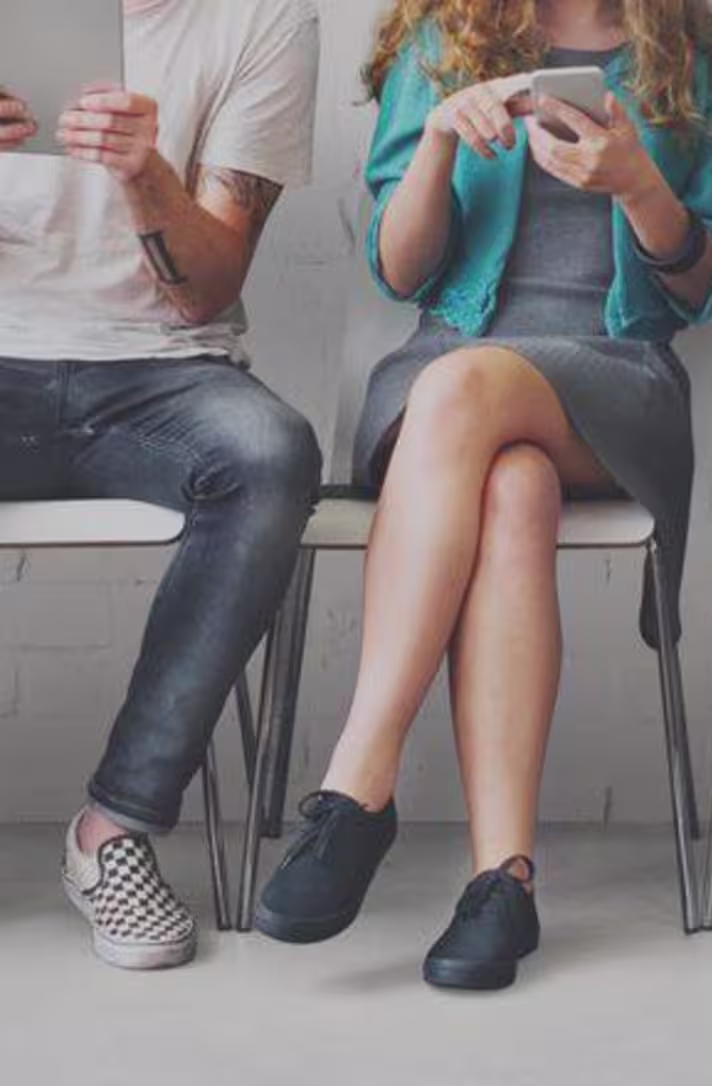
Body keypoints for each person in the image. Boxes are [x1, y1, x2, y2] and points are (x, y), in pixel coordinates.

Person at [251, 0, 712, 990]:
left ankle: (359, 780)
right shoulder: (445, 38)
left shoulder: (699, 47)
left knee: (466, 387)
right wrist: (437, 140)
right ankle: (503, 881)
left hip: (615, 378)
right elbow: (400, 272)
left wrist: (640, 187)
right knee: (513, 487)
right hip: (448, 373)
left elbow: (705, 283)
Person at [0, 0, 321, 971]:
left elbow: (207, 286)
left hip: (160, 369)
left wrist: (146, 177)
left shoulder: (262, 20)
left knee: (270, 455)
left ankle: (116, 831)